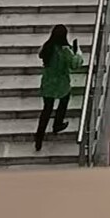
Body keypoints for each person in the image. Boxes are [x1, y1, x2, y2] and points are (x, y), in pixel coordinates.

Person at [34, 24, 85, 152]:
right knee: (64, 101)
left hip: (48, 82)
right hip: (61, 83)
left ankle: (39, 137)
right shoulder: (65, 51)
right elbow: (74, 64)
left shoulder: (47, 46)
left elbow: (40, 55)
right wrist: (77, 52)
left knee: (47, 109)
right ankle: (57, 124)